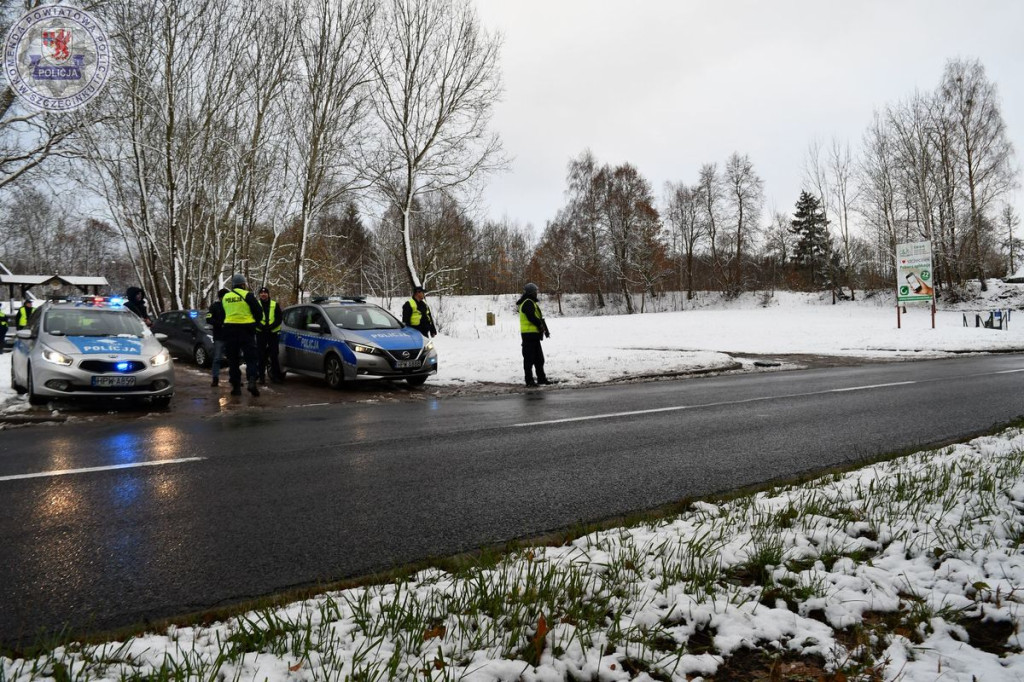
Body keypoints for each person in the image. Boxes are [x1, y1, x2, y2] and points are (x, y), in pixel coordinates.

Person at [221, 273, 263, 397]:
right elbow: (258, 312)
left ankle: (236, 387)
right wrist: (255, 323)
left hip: (229, 331)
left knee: (233, 360)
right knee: (251, 358)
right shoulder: (248, 295)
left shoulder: (226, 297)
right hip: (246, 330)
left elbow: (224, 313)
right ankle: (251, 381)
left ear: (233, 285)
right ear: (243, 284)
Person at [516, 282, 551, 387]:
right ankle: (529, 381)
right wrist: (540, 324)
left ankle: (541, 379)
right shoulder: (528, 302)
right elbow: (531, 317)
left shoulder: (531, 302)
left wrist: (543, 328)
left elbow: (537, 317)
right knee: (529, 359)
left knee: (539, 359)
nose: (537, 293)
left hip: (534, 335)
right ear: (531, 292)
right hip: (529, 335)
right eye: (535, 291)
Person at [254, 286, 283, 385]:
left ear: (268, 294)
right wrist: (260, 326)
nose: (263, 294)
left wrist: (271, 326)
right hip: (261, 333)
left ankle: (275, 376)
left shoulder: (275, 304)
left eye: (265, 293)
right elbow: (253, 318)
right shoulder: (256, 304)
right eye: (261, 293)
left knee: (274, 356)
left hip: (272, 333)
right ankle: (261, 378)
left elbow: (279, 318)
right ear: (259, 295)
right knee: (261, 356)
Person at [205, 288, 228, 387]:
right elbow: (208, 319)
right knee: (217, 358)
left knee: (233, 358)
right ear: (220, 297)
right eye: (224, 297)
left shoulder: (231, 306)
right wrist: (220, 324)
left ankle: (235, 378)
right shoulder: (214, 306)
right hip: (219, 336)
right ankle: (215, 379)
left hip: (230, 336)